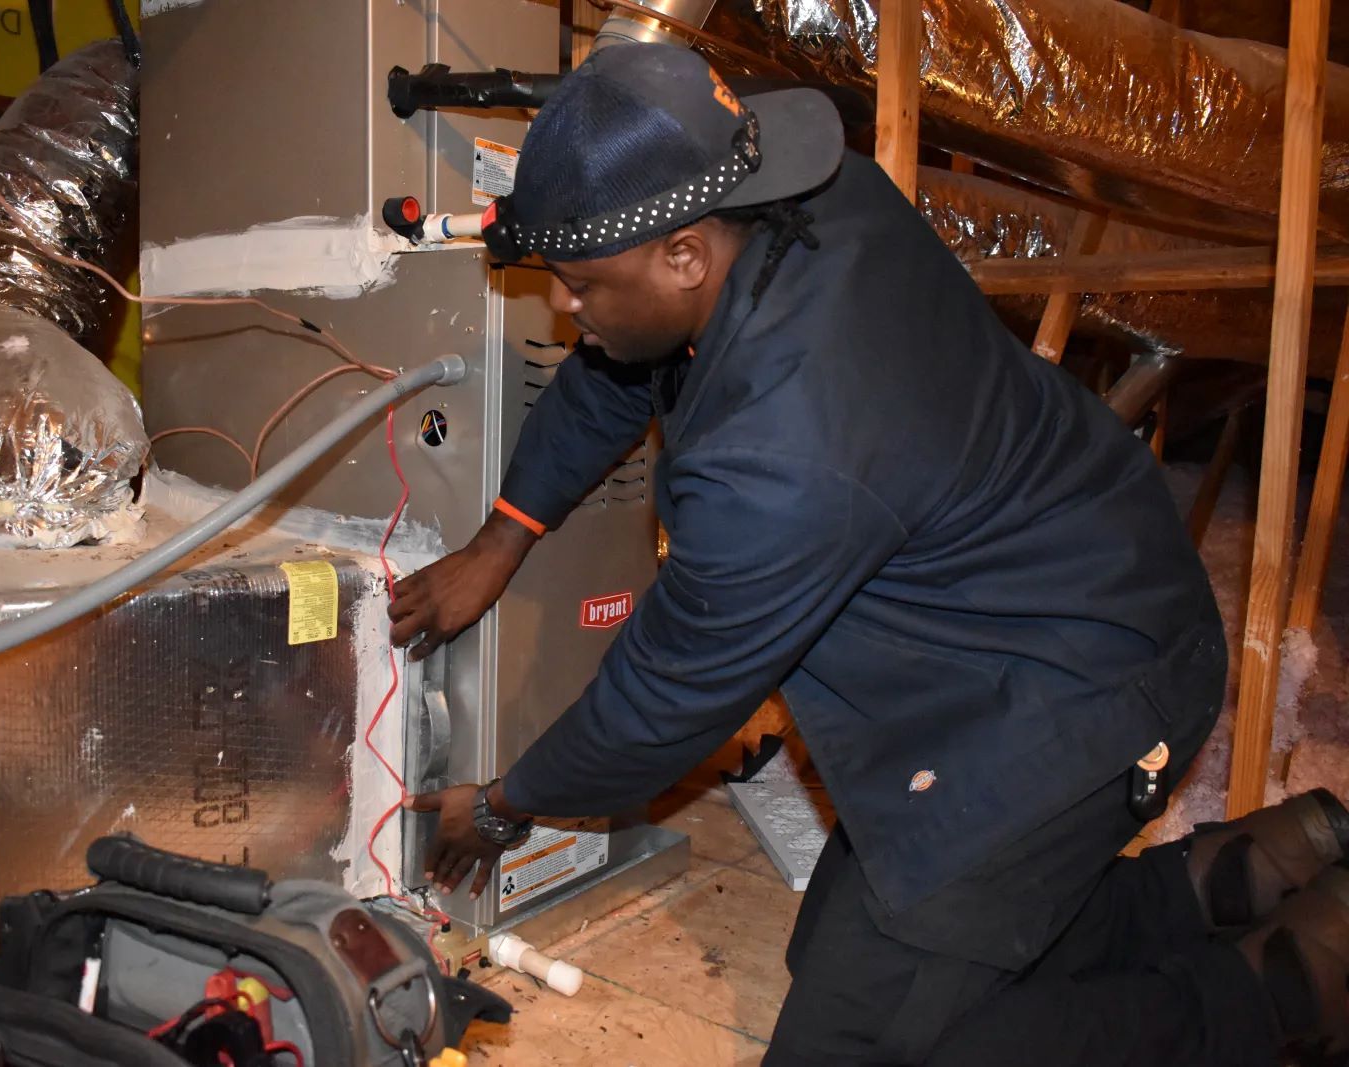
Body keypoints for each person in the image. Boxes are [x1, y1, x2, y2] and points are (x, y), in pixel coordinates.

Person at [389, 42, 1349, 1065]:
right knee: (842, 948)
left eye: (580, 283)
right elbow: (619, 366)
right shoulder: (795, 204)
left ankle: (1277, 992)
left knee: (865, 1045)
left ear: (681, 255)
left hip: (1084, 687)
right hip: (1055, 579)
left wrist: (503, 802)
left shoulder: (787, 446)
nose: (568, 308)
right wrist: (502, 537)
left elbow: (662, 702)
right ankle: (1245, 876)